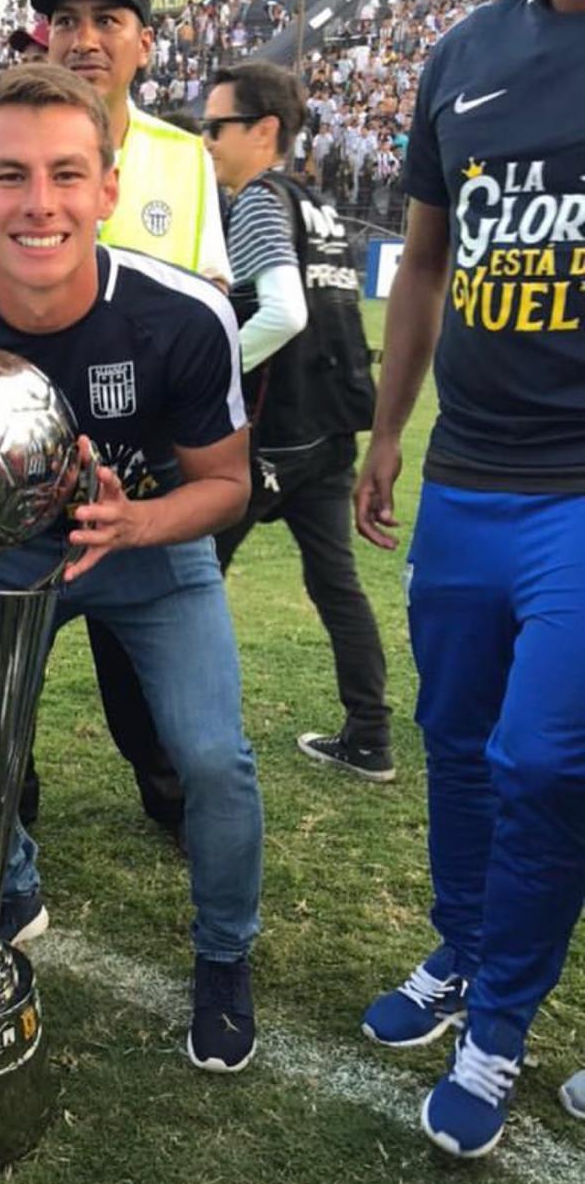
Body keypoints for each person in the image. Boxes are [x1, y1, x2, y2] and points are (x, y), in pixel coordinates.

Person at [0, 65, 263, 1074]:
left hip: (148, 548)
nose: (40, 203)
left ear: (107, 190)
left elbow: (228, 485)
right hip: (2, 551)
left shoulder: (179, 318)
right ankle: (11, 881)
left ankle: (222, 959)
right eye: (11, 175)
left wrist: (139, 517)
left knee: (211, 759)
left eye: (67, 174)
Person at [0, 0, 231, 838]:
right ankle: (10, 803)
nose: (84, 38)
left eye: (107, 19)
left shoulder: (182, 159)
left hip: (145, 489)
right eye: (64, 20)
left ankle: (167, 790)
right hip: (8, 495)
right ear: (41, 37)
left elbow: (210, 303)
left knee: (156, 685)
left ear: (143, 42)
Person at [355, 0, 585, 1159]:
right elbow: (428, 262)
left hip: (578, 491)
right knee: (451, 738)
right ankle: (462, 943)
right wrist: (387, 432)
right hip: (465, 477)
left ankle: (495, 1027)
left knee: (542, 761)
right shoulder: (463, 52)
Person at [202, 62, 392, 781]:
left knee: (190, 582)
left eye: (217, 126)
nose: (207, 141)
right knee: (335, 584)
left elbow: (285, 311)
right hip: (328, 433)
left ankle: (187, 746)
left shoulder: (256, 201)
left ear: (264, 131)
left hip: (270, 438)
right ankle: (370, 738)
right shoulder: (317, 204)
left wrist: (211, 374)